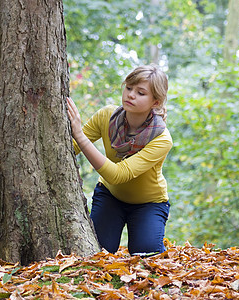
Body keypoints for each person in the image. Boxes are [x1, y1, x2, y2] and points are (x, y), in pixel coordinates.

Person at [66, 64, 172, 256]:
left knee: (145, 256)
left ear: (155, 102)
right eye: (129, 88)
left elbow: (118, 174)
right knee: (97, 251)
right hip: (110, 196)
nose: (130, 95)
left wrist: (79, 135)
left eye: (140, 93)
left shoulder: (162, 139)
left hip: (148, 203)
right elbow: (69, 149)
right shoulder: (107, 116)